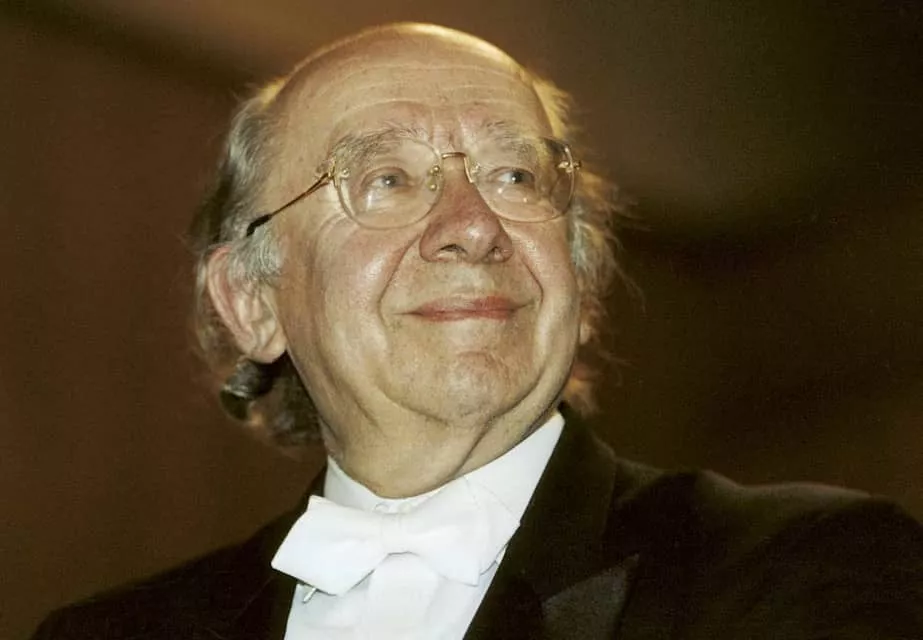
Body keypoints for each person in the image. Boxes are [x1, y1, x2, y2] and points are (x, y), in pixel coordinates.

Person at [32, 22, 923, 640]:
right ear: (252, 301)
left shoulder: (799, 570)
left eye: (514, 176)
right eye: (384, 179)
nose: (471, 225)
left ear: (577, 272)